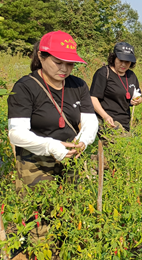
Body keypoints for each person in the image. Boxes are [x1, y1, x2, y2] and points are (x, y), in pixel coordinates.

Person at [8, 31, 98, 191]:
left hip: (71, 158)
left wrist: (83, 141)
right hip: (36, 161)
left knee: (71, 206)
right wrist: (51, 147)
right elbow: (16, 133)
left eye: (70, 63)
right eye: (58, 62)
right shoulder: (25, 87)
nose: (64, 69)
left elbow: (90, 121)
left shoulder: (78, 85)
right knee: (40, 210)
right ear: (41, 57)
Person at [90, 42, 142, 134]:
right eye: (121, 60)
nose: (124, 64)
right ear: (114, 58)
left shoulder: (131, 75)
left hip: (125, 122)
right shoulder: (104, 73)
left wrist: (138, 100)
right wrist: (105, 116)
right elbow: (93, 98)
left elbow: (138, 94)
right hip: (108, 122)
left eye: (127, 62)